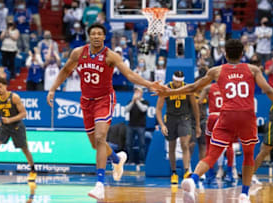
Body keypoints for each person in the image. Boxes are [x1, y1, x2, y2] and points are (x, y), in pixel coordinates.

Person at [156, 39, 273, 203]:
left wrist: (169, 92)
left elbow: (193, 87)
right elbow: (270, 91)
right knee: (248, 154)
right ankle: (244, 194)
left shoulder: (216, 71)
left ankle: (192, 179)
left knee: (212, 154)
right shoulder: (253, 69)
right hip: (246, 115)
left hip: (227, 115)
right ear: (242, 54)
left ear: (225, 54)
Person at [46, 23, 165, 200]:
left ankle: (100, 184)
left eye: (99, 34)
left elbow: (130, 75)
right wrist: (53, 89)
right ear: (89, 36)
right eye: (93, 33)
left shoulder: (111, 56)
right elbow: (65, 70)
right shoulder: (78, 53)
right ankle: (117, 159)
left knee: (101, 138)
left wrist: (149, 84)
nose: (95, 36)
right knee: (95, 144)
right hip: (86, 102)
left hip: (104, 99)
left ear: (103, 37)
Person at [0, 77, 37, 182]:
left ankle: (33, 171)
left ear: (6, 86)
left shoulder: (14, 97)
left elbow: (24, 114)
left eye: (1, 87)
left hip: (17, 126)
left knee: (25, 149)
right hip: (5, 127)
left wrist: (10, 120)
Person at [156, 71, 200, 184]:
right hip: (170, 119)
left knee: (184, 144)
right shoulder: (166, 89)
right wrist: (162, 124)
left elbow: (195, 108)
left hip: (184, 118)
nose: (178, 84)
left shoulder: (187, 88)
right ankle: (174, 173)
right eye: (176, 81)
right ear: (173, 79)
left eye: (180, 82)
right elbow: (158, 109)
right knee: (171, 146)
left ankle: (186, 171)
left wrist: (198, 125)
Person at [198, 83, 235, 183]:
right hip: (226, 116)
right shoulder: (231, 86)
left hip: (213, 117)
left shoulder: (209, 87)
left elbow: (200, 101)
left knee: (209, 146)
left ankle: (210, 176)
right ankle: (230, 174)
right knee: (229, 146)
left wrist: (206, 97)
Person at [124, 87, 149, 165]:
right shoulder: (130, 102)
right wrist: (132, 102)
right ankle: (130, 161)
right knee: (128, 144)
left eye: (138, 92)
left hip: (140, 126)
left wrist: (137, 101)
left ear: (141, 93)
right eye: (135, 92)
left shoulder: (145, 102)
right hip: (131, 125)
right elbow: (126, 110)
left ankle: (142, 161)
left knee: (142, 144)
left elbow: (143, 109)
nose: (136, 94)